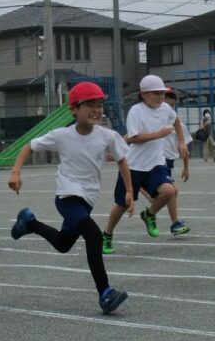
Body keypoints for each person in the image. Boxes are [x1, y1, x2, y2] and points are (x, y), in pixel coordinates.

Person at [8, 81, 131, 314]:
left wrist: (129, 191)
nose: (96, 110)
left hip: (87, 201)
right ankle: (105, 293)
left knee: (63, 244)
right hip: (67, 197)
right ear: (74, 109)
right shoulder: (62, 135)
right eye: (90, 105)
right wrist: (16, 171)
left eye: (100, 105)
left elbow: (122, 161)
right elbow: (28, 147)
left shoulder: (108, 136)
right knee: (94, 235)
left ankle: (29, 223)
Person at [102, 74, 187, 255]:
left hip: (156, 164)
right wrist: (160, 134)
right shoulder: (136, 111)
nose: (161, 97)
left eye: (162, 93)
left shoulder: (165, 108)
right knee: (123, 204)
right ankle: (107, 234)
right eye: (156, 93)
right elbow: (134, 138)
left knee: (169, 191)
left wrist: (181, 142)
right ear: (144, 94)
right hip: (133, 166)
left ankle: (149, 214)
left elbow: (176, 121)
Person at [159, 87, 191, 235]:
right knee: (172, 191)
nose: (170, 108)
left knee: (169, 193)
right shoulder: (153, 122)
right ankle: (175, 223)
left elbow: (184, 149)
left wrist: (186, 168)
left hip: (168, 163)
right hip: (156, 162)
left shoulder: (179, 125)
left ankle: (172, 222)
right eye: (167, 104)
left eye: (172, 105)